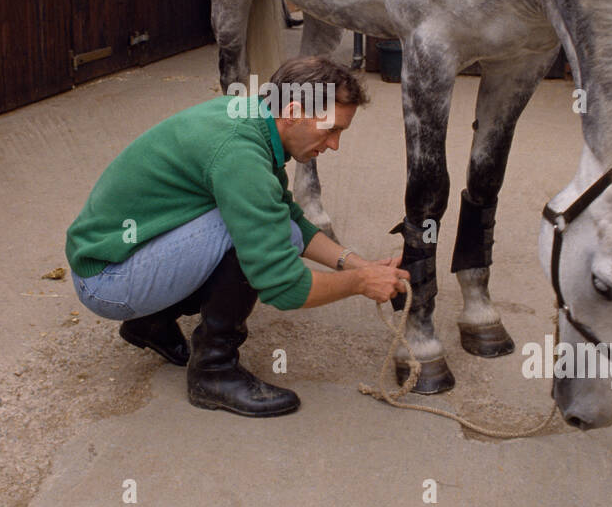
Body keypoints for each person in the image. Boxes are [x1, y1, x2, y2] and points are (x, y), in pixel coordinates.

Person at [65, 55, 409, 418]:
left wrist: (356, 263)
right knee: (249, 233)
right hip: (108, 281)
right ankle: (214, 372)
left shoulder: (250, 115)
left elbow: (288, 216)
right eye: (330, 130)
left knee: (273, 225)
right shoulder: (240, 153)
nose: (335, 145)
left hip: (122, 255)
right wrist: (359, 283)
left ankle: (151, 321)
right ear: (292, 111)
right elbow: (283, 286)